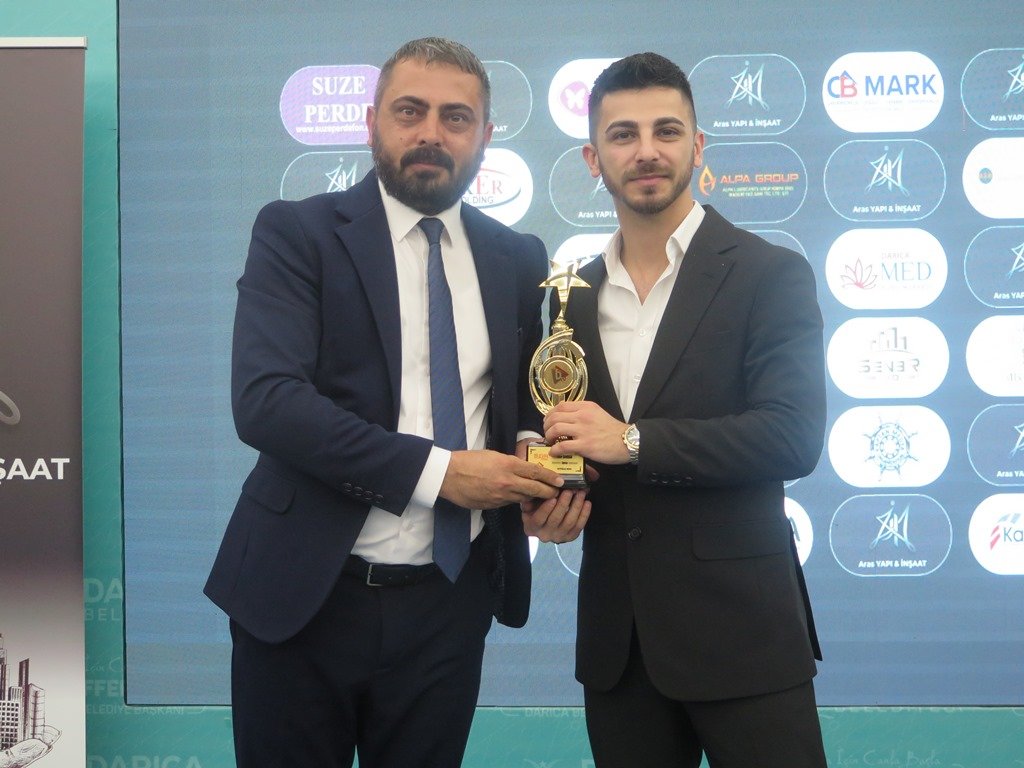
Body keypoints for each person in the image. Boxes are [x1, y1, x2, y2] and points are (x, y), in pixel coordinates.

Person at [204, 37, 580, 768]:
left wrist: (540, 476)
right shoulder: (297, 233)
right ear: (372, 121)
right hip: (305, 596)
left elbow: (515, 409)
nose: (431, 133)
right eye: (410, 111)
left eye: (455, 117)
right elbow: (267, 402)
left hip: (449, 606)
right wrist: (443, 475)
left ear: (485, 136)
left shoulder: (517, 258)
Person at [536, 53, 828, 767]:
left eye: (666, 131)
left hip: (744, 635)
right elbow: (568, 437)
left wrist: (632, 441)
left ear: (697, 148)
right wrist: (550, 493)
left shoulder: (769, 274)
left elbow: (791, 437)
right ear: (593, 159)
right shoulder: (570, 298)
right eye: (623, 134)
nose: (647, 151)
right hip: (620, 646)